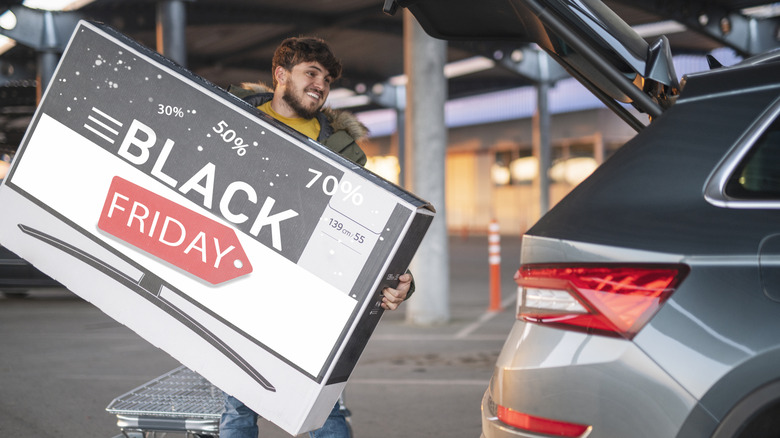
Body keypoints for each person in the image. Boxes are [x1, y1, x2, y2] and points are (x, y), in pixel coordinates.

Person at [220, 36, 415, 438]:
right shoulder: (226, 120)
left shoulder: (341, 150)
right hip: (238, 291)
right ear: (280, 74)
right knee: (238, 413)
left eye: (326, 78)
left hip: (312, 305)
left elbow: (366, 225)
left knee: (326, 419)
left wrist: (400, 278)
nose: (321, 84)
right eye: (311, 73)